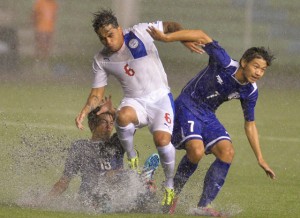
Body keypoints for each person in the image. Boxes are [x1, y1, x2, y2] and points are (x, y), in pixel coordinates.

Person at [75, 9, 202, 208]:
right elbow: (97, 94)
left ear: (119, 29)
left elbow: (171, 26)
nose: (108, 41)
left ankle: (169, 184)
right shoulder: (101, 59)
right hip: (134, 100)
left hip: (160, 98)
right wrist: (85, 110)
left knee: (161, 140)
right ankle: (132, 158)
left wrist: (182, 39)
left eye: (110, 35)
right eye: (102, 38)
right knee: (123, 116)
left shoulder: (139, 32)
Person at [147, 27, 276, 216]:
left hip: (207, 114)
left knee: (227, 152)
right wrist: (167, 38)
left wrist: (260, 158)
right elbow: (201, 34)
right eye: (256, 66)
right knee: (196, 151)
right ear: (244, 62)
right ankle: (172, 193)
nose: (258, 72)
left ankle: (203, 206)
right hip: (187, 105)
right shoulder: (224, 63)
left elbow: (250, 124)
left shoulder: (250, 91)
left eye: (263, 70)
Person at [47, 102, 160, 213]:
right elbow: (64, 181)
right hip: (90, 193)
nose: (109, 126)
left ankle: (145, 185)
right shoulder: (80, 147)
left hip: (116, 192)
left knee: (144, 190)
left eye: (112, 122)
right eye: (104, 122)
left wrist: (114, 112)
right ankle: (141, 180)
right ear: (92, 124)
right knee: (109, 176)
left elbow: (131, 123)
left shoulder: (117, 142)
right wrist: (46, 201)